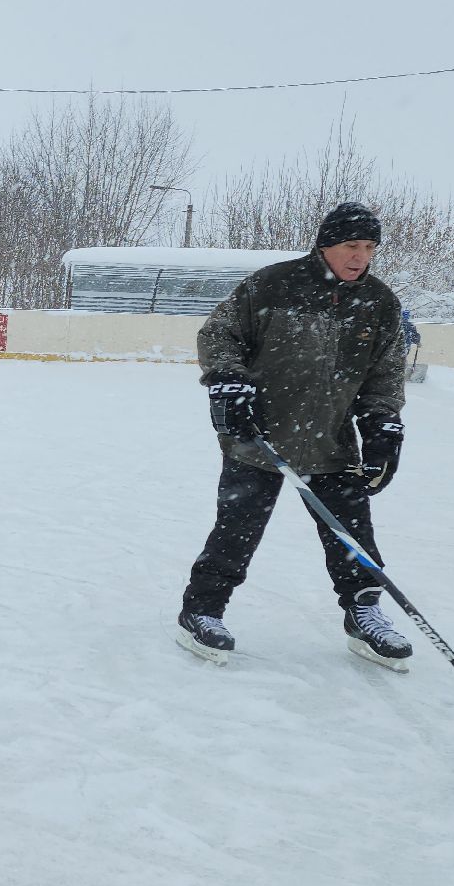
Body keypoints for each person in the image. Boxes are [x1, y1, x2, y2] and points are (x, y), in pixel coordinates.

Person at [175, 202, 412, 669]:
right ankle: (202, 611)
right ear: (326, 245)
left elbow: (384, 376)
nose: (360, 257)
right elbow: (219, 333)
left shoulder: (379, 304)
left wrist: (384, 426)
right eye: (351, 246)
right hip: (258, 434)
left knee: (351, 533)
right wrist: (228, 380)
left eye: (368, 248)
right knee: (237, 530)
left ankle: (364, 613)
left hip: (332, 441)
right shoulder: (275, 284)